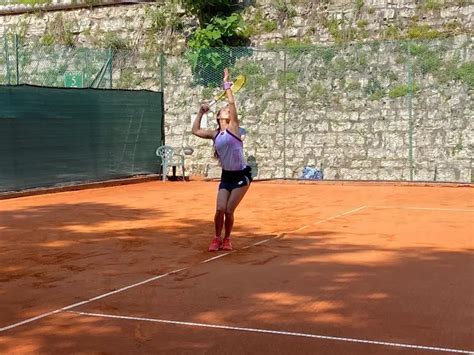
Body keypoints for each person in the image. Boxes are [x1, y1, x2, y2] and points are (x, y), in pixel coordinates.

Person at [191, 68, 252, 252]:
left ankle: (227, 239)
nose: (227, 110)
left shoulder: (234, 127)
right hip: (226, 177)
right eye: (224, 110)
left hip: (241, 176)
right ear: (218, 116)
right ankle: (216, 238)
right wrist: (200, 112)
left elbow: (232, 102)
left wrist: (227, 84)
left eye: (227, 110)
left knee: (228, 211)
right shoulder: (215, 134)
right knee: (219, 209)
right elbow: (195, 131)